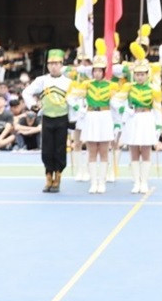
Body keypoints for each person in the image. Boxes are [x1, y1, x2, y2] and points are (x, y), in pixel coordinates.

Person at [21, 49, 72, 193]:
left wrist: (74, 118)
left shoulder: (68, 82)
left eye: (56, 63)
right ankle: (48, 176)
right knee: (47, 149)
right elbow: (26, 92)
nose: (53, 66)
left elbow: (75, 101)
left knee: (60, 149)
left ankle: (58, 177)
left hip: (62, 118)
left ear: (62, 64)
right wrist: (33, 105)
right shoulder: (42, 80)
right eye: (50, 64)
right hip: (47, 118)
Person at [120, 56, 161, 194]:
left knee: (145, 150)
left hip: (147, 118)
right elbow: (116, 102)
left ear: (147, 75)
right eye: (137, 74)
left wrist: (158, 126)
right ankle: (136, 181)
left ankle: (144, 182)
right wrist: (126, 110)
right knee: (133, 150)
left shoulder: (153, 89)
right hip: (133, 118)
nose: (139, 77)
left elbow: (157, 108)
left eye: (142, 74)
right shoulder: (128, 87)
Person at [78, 59, 116, 194]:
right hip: (91, 116)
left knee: (104, 151)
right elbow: (74, 97)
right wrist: (80, 109)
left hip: (105, 116)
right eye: (95, 71)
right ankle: (94, 182)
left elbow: (116, 103)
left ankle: (102, 181)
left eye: (100, 71)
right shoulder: (86, 85)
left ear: (104, 72)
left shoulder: (111, 86)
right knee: (92, 151)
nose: (97, 73)